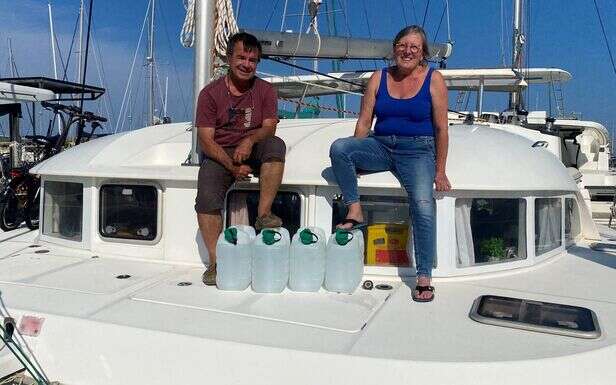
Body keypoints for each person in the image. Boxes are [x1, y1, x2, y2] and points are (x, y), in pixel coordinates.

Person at [329, 25, 451, 302]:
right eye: (402, 45)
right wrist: (358, 152)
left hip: (418, 150)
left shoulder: (434, 79)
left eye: (414, 47)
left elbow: (442, 129)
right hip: (382, 145)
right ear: (394, 48)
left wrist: (440, 170)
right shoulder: (378, 77)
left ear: (422, 54)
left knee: (422, 204)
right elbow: (364, 121)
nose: (407, 51)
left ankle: (423, 275)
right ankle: (355, 210)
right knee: (340, 148)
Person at [194, 32, 285, 286]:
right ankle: (215, 261)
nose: (247, 64)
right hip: (220, 152)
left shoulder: (265, 90)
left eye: (253, 60)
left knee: (276, 146)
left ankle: (263, 213)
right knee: (206, 198)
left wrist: (248, 141)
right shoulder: (210, 94)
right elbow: (207, 141)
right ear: (228, 58)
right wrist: (233, 166)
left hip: (252, 146)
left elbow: (269, 128)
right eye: (241, 57)